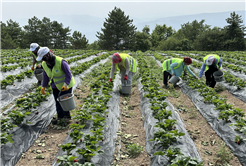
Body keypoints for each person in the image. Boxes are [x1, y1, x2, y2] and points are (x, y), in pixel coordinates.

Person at [37, 47, 75, 124]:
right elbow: (45, 75)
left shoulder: (61, 62)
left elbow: (68, 74)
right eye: (42, 59)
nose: (43, 61)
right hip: (55, 85)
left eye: (44, 58)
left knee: (64, 101)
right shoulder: (44, 64)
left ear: (48, 55)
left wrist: (66, 84)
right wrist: (43, 86)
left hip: (66, 85)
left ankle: (67, 117)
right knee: (57, 101)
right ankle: (60, 117)